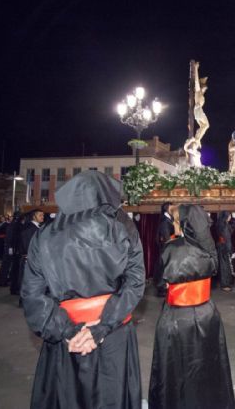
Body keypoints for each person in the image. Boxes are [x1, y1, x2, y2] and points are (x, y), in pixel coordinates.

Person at [21, 171, 145, 409]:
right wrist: (101, 327)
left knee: (67, 397)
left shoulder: (44, 236)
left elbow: (32, 295)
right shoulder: (122, 229)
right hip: (113, 334)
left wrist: (68, 331)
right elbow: (136, 281)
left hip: (65, 338)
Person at [149, 205, 235, 409]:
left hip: (177, 317)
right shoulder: (209, 249)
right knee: (208, 362)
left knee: (177, 367)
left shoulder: (171, 248)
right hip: (207, 313)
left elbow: (160, 283)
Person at [10, 209, 43, 297]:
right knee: (26, 279)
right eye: (40, 215)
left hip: (34, 257)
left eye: (42, 215)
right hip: (30, 258)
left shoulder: (36, 227)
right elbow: (27, 243)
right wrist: (28, 255)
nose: (42, 217)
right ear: (34, 216)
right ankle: (24, 298)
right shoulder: (30, 228)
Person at [155, 202, 175, 297]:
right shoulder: (165, 221)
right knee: (163, 266)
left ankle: (164, 286)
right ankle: (161, 288)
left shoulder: (168, 219)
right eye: (172, 207)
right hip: (166, 246)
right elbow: (166, 237)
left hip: (168, 245)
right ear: (168, 209)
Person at [216, 211, 235, 291]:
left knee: (224, 266)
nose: (230, 217)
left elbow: (232, 229)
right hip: (224, 247)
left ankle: (225, 283)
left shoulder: (222, 224)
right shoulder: (224, 226)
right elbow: (227, 239)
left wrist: (234, 218)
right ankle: (225, 285)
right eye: (229, 216)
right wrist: (230, 251)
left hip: (221, 246)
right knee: (225, 267)